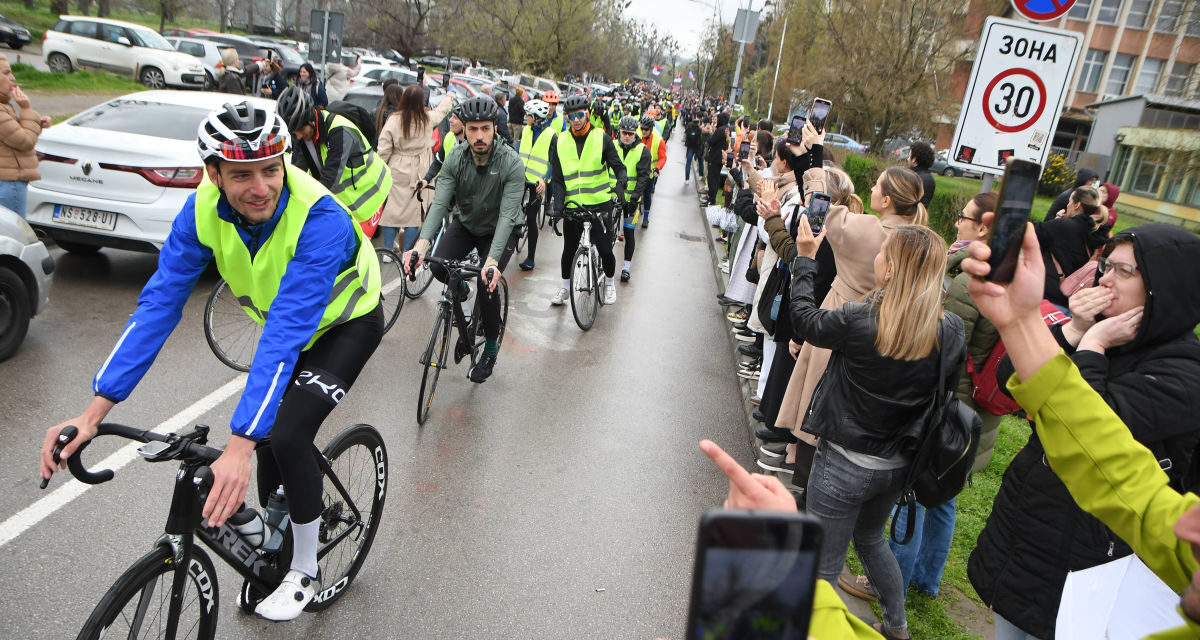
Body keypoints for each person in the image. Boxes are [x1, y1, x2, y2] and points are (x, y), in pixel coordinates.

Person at [38, 101, 384, 621]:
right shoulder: (200, 210)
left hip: (346, 322)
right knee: (266, 437)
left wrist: (241, 444)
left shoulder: (321, 219)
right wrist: (91, 414)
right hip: (290, 326)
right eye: (242, 175)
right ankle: (277, 542)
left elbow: (285, 335)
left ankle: (304, 568)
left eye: (272, 169)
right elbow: (157, 308)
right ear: (214, 174)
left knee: (283, 434)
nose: (262, 186)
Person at [959, 221, 1200, 640]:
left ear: (1165, 286)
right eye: (1106, 265)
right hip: (1028, 536)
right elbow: (1009, 378)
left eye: (1124, 271)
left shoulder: (1184, 372)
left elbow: (1090, 430)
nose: (1105, 278)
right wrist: (1073, 330)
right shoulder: (1099, 330)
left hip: (1083, 559)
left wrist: (1092, 348)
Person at [788, 217, 964, 640]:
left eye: (884, 252)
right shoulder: (949, 329)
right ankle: (897, 627)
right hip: (897, 465)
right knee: (870, 540)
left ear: (891, 268)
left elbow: (806, 322)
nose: (878, 256)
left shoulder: (859, 318)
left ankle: (816, 631)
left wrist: (806, 261)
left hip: (844, 462)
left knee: (823, 566)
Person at [841, 192, 1002, 603]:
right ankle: (927, 581)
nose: (957, 223)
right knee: (942, 494)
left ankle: (886, 582)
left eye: (964, 217)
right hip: (973, 412)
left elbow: (946, 342)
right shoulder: (1005, 272)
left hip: (949, 407)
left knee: (913, 497)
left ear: (982, 226)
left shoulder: (969, 280)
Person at [772, 129, 929, 477]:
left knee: (818, 403)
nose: (871, 188)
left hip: (842, 316)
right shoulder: (917, 238)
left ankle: (805, 475)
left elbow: (818, 205)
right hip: (890, 330)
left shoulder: (870, 231)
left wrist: (814, 154)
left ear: (887, 200)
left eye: (877, 185)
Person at [402, 97, 523, 383]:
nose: (478, 136)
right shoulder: (455, 157)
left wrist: (491, 262)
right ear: (464, 130)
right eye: (472, 129)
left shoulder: (511, 163)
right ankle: (464, 305)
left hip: (499, 228)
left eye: (484, 129)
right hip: (468, 223)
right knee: (438, 267)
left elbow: (507, 216)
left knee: (487, 283)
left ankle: (490, 349)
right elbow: (441, 202)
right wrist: (421, 246)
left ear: (495, 128)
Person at [548, 94, 626, 307]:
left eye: (580, 115)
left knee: (605, 250)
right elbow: (557, 179)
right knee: (568, 250)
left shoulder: (602, 138)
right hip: (574, 207)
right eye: (571, 116)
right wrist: (557, 206)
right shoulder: (560, 140)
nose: (576, 120)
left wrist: (620, 185)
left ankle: (609, 283)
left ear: (588, 115)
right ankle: (565, 288)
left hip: (600, 205)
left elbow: (619, 167)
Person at [276, 86, 392, 230]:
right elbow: (296, 174)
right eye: (294, 132)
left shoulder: (340, 131)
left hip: (372, 197)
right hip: (345, 203)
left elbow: (329, 179)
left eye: (300, 130)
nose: (298, 136)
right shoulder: (304, 137)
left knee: (352, 249)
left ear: (311, 120)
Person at [377, 84, 456, 252]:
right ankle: (408, 251)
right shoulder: (426, 118)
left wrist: (379, 169)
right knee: (413, 214)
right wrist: (450, 95)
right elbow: (442, 111)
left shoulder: (393, 119)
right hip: (419, 168)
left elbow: (383, 149)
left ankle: (387, 251)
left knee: (392, 210)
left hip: (396, 167)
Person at [1034, 185, 1110, 308]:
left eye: (1070, 201)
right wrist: (1057, 221)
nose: (1067, 205)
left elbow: (1032, 232)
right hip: (1071, 296)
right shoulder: (1096, 231)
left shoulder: (1063, 226)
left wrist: (1056, 221)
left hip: (1048, 294)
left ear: (1077, 205)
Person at [0, 55, 50, 217]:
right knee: (13, 237)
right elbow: (25, 141)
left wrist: (36, 122)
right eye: (6, 73)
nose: (13, 78)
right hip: (8, 183)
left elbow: (11, 137)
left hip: (7, 181)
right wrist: (27, 109)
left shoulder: (5, 106)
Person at [515, 98, 556, 272]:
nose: (526, 117)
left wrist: (544, 180)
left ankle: (530, 257)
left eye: (528, 115)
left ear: (536, 117)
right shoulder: (525, 130)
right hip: (520, 178)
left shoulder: (551, 135)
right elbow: (516, 152)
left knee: (531, 219)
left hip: (537, 183)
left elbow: (554, 162)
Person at [613, 116, 651, 282]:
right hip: (611, 197)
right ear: (619, 132)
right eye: (624, 133)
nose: (627, 136)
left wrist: (635, 199)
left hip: (630, 201)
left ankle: (626, 267)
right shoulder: (612, 146)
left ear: (635, 133)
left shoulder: (642, 150)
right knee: (606, 231)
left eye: (630, 133)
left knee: (629, 232)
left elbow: (643, 178)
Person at [638, 114, 666, 229]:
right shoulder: (637, 136)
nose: (643, 131)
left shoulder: (658, 140)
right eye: (642, 128)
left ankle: (646, 218)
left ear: (651, 129)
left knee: (647, 194)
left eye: (646, 129)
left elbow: (663, 157)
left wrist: (657, 168)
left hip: (650, 172)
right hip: (637, 170)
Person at [704, 112, 729, 207]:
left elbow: (711, 141)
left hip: (715, 157)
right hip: (719, 158)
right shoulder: (726, 129)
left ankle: (711, 199)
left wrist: (710, 132)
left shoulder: (721, 130)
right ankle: (711, 197)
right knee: (714, 178)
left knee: (712, 179)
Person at [908, 141, 936, 209]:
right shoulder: (929, 179)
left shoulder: (913, 178)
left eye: (909, 156)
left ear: (914, 159)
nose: (907, 159)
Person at [683, 112, 704, 184]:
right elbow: (701, 137)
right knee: (700, 161)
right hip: (698, 147)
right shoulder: (700, 125)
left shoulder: (689, 125)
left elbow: (686, 133)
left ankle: (687, 179)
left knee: (688, 163)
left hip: (690, 147)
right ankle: (701, 175)